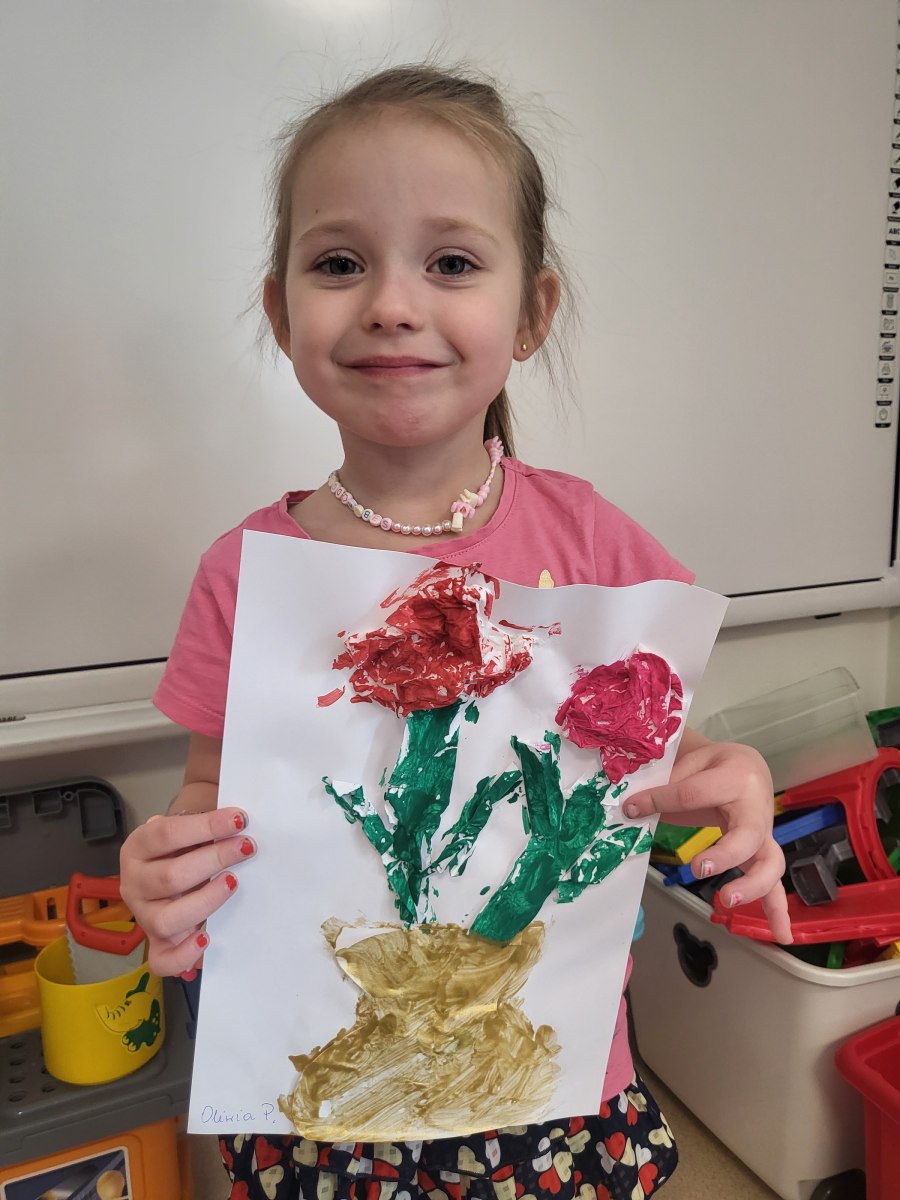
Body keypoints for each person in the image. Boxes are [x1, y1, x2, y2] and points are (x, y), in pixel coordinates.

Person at [119, 63, 791, 1200]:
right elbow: (209, 794)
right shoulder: (247, 571)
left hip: (546, 1076)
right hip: (322, 1091)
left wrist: (734, 780)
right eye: (340, 263)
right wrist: (168, 871)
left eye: (452, 263)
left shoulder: (593, 540)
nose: (391, 302)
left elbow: (661, 767)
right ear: (281, 313)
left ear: (532, 314)